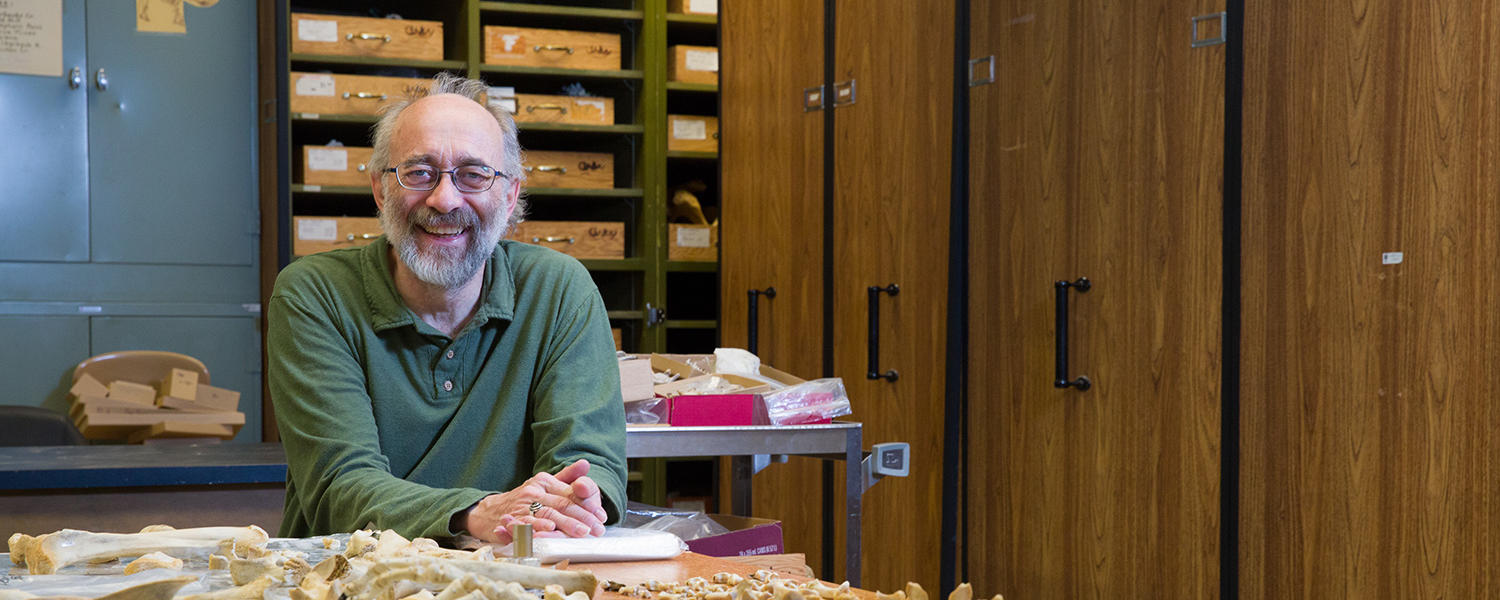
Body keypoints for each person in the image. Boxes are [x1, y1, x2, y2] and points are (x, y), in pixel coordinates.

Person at [267, 72, 627, 545]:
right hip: (350, 581)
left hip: (510, 580)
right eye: (419, 172)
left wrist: (573, 501)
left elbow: (587, 461)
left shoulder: (558, 289)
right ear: (381, 189)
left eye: (473, 175)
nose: (444, 198)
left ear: (510, 195)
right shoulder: (314, 295)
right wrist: (478, 512)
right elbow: (339, 485)